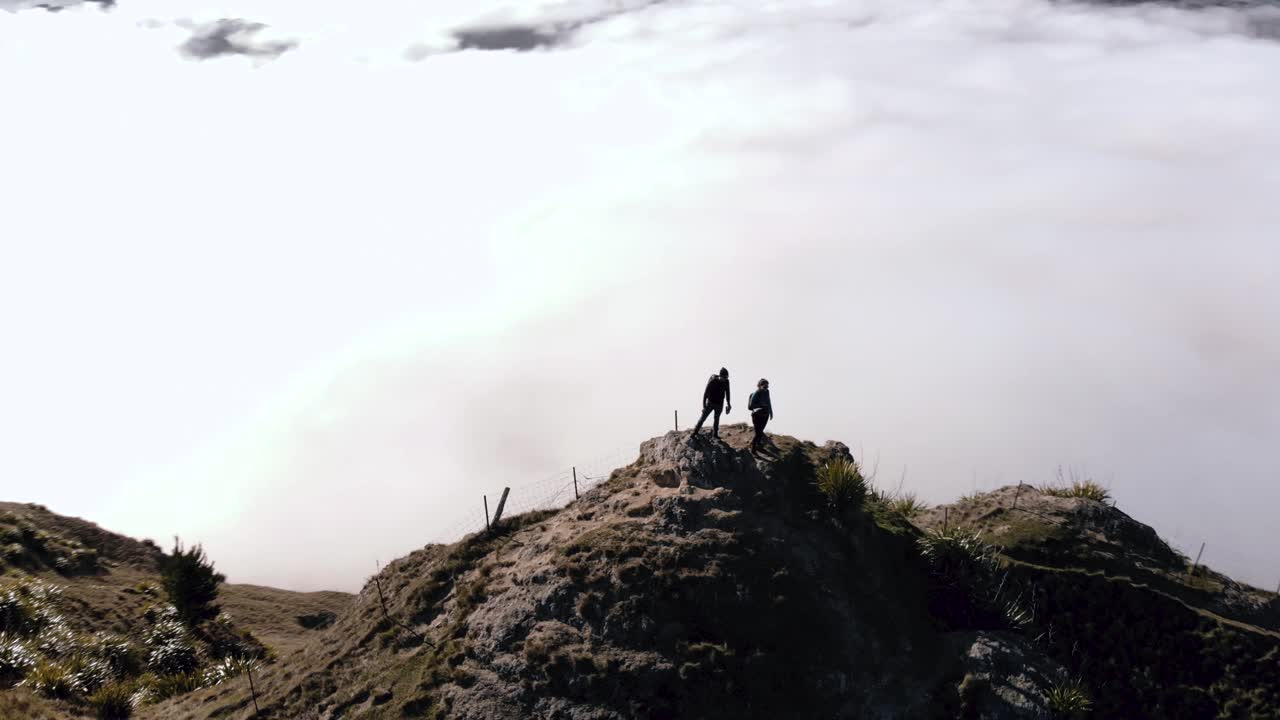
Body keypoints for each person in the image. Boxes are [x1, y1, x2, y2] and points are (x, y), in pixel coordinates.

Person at [690, 367, 731, 440]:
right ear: (720, 376)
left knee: (717, 419)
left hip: (719, 403)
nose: (725, 379)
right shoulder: (713, 381)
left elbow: (728, 393)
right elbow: (705, 394)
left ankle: (715, 435)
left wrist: (728, 404)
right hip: (710, 403)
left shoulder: (726, 382)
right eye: (724, 377)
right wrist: (704, 405)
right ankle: (695, 432)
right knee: (703, 418)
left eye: (726, 377)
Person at [749, 378, 773, 452]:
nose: (766, 388)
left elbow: (769, 402)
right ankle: (753, 449)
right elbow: (751, 405)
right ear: (760, 386)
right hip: (756, 415)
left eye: (767, 387)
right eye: (765, 387)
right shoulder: (757, 393)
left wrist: (771, 412)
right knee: (758, 433)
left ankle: (759, 446)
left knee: (761, 431)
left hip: (765, 415)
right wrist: (761, 405)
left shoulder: (767, 392)